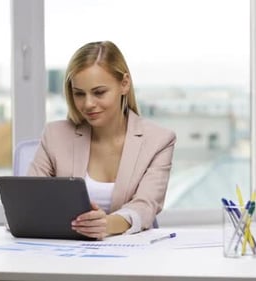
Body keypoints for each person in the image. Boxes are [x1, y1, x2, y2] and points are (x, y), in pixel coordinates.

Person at [27, 41, 176, 239]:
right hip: (65, 252)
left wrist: (106, 224)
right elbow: (28, 203)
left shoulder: (158, 140)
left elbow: (146, 205)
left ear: (124, 84)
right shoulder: (55, 136)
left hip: (130, 256)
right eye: (79, 94)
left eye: (99, 92)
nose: (88, 104)